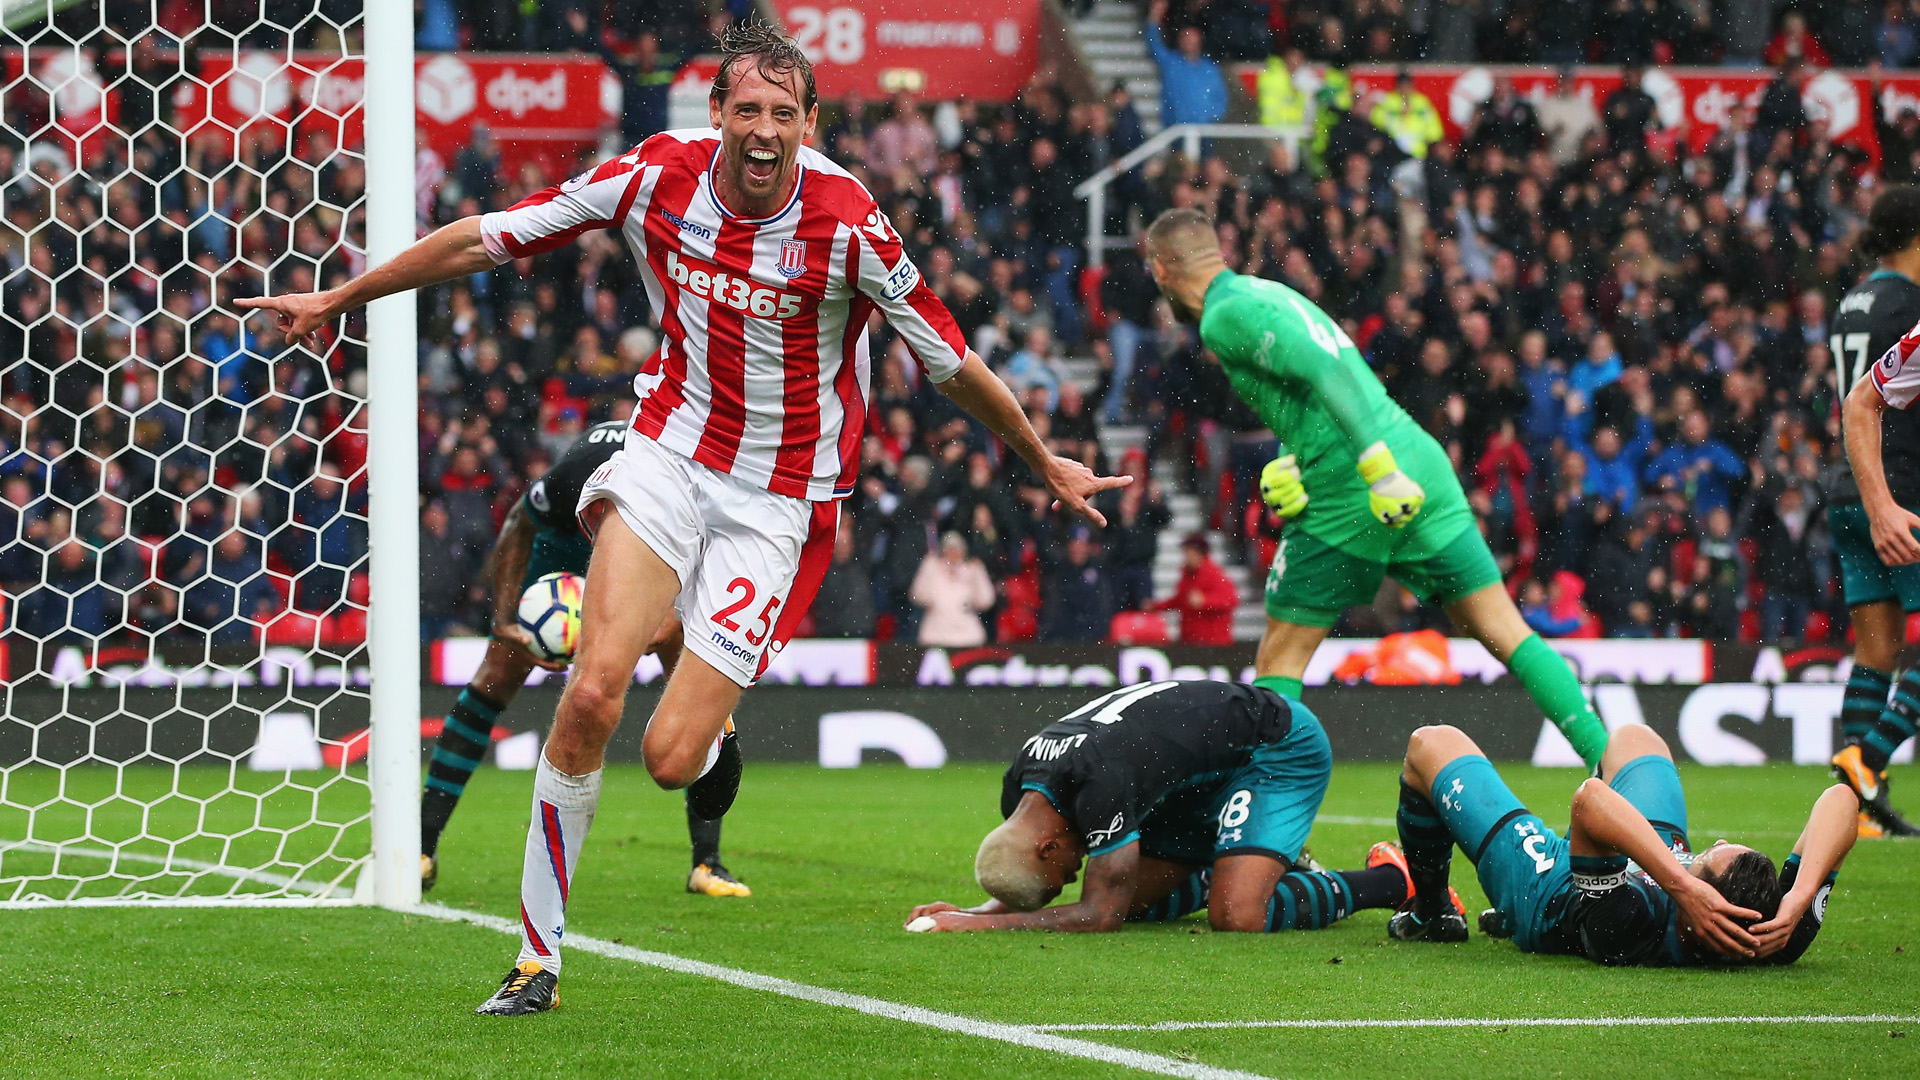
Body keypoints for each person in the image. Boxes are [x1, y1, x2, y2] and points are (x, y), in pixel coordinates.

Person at [239, 21, 1125, 1015]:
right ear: (717, 115)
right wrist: (344, 296)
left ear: (809, 124)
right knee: (587, 695)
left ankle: (674, 633)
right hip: (668, 455)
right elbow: (488, 235)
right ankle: (537, 962)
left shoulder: (850, 224)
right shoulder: (656, 176)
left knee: (669, 760)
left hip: (781, 502)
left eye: (783, 115)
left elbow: (950, 362)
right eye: (747, 110)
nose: (763, 131)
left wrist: (1040, 460)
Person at [1141, 207, 1609, 768]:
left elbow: (1325, 370)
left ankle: (1260, 836)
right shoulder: (1267, 293)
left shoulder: (1223, 317)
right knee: (1507, 633)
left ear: (1161, 270)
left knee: (1280, 659)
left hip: (1354, 487)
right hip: (1420, 463)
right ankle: (1618, 776)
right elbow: (1338, 367)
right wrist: (1295, 454)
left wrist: (1375, 466)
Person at [417, 420, 751, 900]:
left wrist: (672, 622)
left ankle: (707, 862)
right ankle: (422, 848)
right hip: (565, 544)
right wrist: (506, 620)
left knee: (696, 686)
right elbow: (517, 526)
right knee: (497, 674)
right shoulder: (575, 473)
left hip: (657, 551)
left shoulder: (691, 483)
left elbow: (713, 566)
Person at [902, 680, 1430, 933]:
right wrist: (972, 907)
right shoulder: (1021, 788)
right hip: (1189, 780)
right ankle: (1249, 858)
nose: (1067, 878)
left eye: (1058, 874)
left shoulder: (1097, 782)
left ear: (1048, 844)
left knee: (1236, 915)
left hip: (1275, 747)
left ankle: (1390, 879)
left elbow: (1098, 914)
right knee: (1134, 898)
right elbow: (1086, 894)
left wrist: (975, 927)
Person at [1389, 722, 1853, 968]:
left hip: (1550, 884)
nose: (1716, 840)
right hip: (1644, 854)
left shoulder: (1629, 926)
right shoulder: (1770, 930)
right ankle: (1610, 848)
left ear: (1701, 912)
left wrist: (1680, 885)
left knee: (1428, 745)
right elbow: (1841, 800)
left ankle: (1433, 913)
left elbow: (1589, 802)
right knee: (1636, 738)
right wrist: (1799, 897)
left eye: (1705, 859)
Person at [1834, 185, 1920, 838]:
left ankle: (1857, 809)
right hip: (1900, 486)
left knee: (1876, 650)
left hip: (1849, 486)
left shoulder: (1854, 299)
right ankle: (1868, 758)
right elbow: (1884, 395)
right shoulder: (1908, 302)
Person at [909, 531, 996, 647]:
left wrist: (978, 574)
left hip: (967, 634)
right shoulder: (932, 566)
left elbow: (986, 600)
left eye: (957, 549)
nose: (953, 553)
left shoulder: (972, 569)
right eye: (949, 548)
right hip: (935, 633)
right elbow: (916, 594)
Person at [1153, 533, 1238, 645]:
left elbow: (1231, 600)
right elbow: (1180, 599)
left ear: (1198, 553)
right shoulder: (1188, 575)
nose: (1185, 557)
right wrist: (1156, 606)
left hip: (1213, 641)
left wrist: (1205, 601)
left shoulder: (1214, 574)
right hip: (1192, 640)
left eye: (1188, 553)